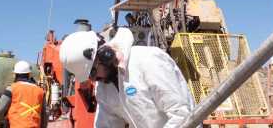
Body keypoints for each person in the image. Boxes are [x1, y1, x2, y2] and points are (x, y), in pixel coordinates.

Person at [58, 28, 195, 128]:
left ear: (104, 56)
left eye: (93, 73)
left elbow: (182, 114)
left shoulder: (148, 61)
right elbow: (106, 125)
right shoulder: (104, 89)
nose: (94, 80)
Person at [0, 61, 46, 128]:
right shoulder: (40, 91)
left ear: (15, 74)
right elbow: (44, 114)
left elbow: (0, 109)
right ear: (29, 74)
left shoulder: (11, 89)